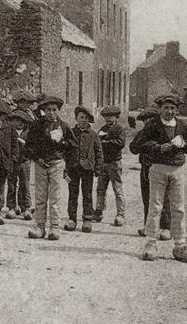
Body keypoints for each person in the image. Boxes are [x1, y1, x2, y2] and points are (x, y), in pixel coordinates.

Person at [132, 94, 187, 264]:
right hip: (158, 170)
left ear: (176, 109)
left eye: (172, 108)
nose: (169, 112)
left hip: (177, 170)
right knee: (155, 207)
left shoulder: (181, 126)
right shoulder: (153, 126)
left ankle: (180, 245)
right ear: (160, 109)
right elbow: (136, 146)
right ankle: (150, 243)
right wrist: (157, 147)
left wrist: (183, 145)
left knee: (178, 208)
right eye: (166, 108)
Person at [24, 95, 72, 240]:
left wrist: (62, 142)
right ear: (43, 110)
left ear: (58, 111)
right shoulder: (37, 126)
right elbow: (28, 146)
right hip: (41, 164)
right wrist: (37, 158)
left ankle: (55, 227)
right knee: (40, 196)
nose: (51, 112)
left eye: (54, 109)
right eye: (48, 109)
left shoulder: (63, 126)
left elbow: (72, 145)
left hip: (57, 163)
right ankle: (40, 227)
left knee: (55, 196)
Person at [130, 107, 172, 239]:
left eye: (150, 120)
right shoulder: (142, 134)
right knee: (147, 197)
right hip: (145, 169)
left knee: (162, 198)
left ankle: (166, 228)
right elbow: (133, 148)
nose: (147, 123)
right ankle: (148, 226)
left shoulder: (163, 134)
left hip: (160, 168)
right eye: (144, 121)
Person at [65, 105, 103, 233]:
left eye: (86, 118)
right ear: (76, 119)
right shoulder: (70, 133)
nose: (84, 120)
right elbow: (66, 152)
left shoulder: (93, 134)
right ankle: (72, 219)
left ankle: (87, 219)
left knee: (87, 194)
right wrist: (65, 170)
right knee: (72, 194)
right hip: (73, 169)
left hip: (87, 169)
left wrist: (97, 168)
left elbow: (99, 152)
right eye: (81, 117)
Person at [5, 91, 38, 219]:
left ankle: (26, 207)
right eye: (21, 102)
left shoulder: (30, 126)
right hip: (12, 160)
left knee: (25, 183)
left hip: (24, 160)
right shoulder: (11, 123)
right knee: (12, 183)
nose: (24, 105)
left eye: (26, 102)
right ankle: (12, 206)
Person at [94, 105, 127, 226]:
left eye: (110, 116)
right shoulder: (102, 129)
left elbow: (121, 143)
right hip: (104, 163)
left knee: (117, 189)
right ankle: (98, 211)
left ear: (116, 117)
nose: (108, 119)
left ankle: (120, 214)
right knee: (100, 188)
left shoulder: (120, 129)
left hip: (114, 163)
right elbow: (97, 144)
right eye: (106, 117)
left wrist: (106, 142)